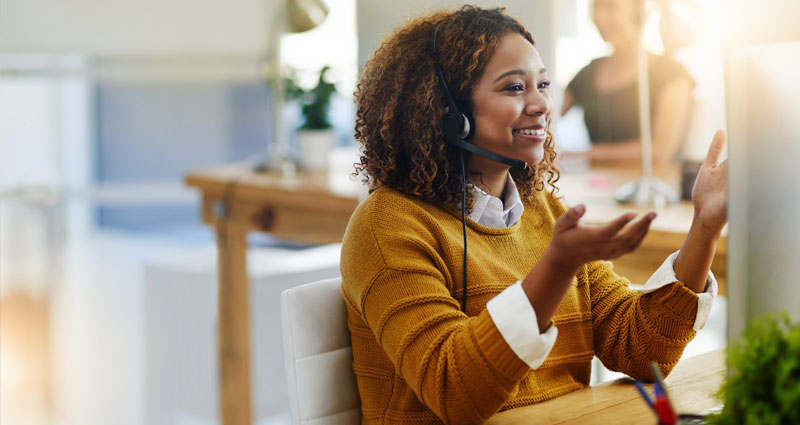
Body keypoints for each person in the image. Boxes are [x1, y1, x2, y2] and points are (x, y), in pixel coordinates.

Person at [341, 6, 726, 424]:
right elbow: (453, 390)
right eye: (514, 88)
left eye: (542, 84)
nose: (541, 104)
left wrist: (704, 228)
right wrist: (557, 266)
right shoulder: (387, 225)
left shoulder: (542, 211)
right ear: (449, 112)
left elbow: (642, 348)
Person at [560, 0, 696, 165]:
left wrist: (580, 155)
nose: (598, 16)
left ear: (639, 10)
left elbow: (660, 151)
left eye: (610, 6)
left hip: (652, 186)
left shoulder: (671, 73)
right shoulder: (589, 71)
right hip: (596, 184)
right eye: (595, 7)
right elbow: (546, 114)